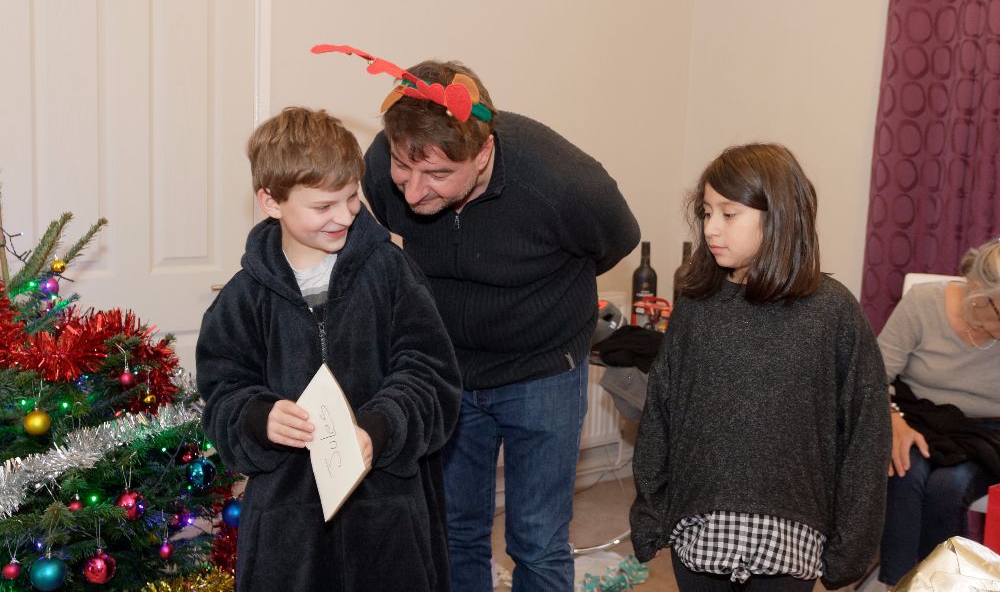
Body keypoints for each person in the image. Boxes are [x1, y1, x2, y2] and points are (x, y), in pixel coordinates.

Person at [358, 56, 640, 591]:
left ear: (483, 153)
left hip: (542, 372)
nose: (412, 192)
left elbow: (614, 241)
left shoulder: (563, 180)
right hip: (445, 373)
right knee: (454, 530)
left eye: (438, 175)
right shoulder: (384, 162)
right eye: (403, 168)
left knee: (537, 541)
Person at [196, 107, 462, 592]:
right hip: (288, 535)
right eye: (323, 207)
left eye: (352, 197)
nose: (344, 216)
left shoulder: (391, 273)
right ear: (271, 201)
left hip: (390, 522)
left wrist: (379, 427)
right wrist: (259, 417)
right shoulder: (243, 299)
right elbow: (222, 395)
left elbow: (431, 377)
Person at [629, 143, 891, 591]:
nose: (711, 227)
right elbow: (661, 412)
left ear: (779, 216)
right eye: (706, 212)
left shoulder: (833, 313)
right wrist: (650, 511)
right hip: (700, 527)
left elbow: (866, 434)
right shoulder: (696, 306)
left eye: (729, 214)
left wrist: (852, 545)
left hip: (791, 537)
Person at [877, 238, 1000, 586]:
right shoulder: (923, 303)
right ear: (978, 291)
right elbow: (873, 375)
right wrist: (893, 419)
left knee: (948, 486)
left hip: (985, 434)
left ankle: (946, 585)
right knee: (905, 471)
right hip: (918, 420)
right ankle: (898, 584)